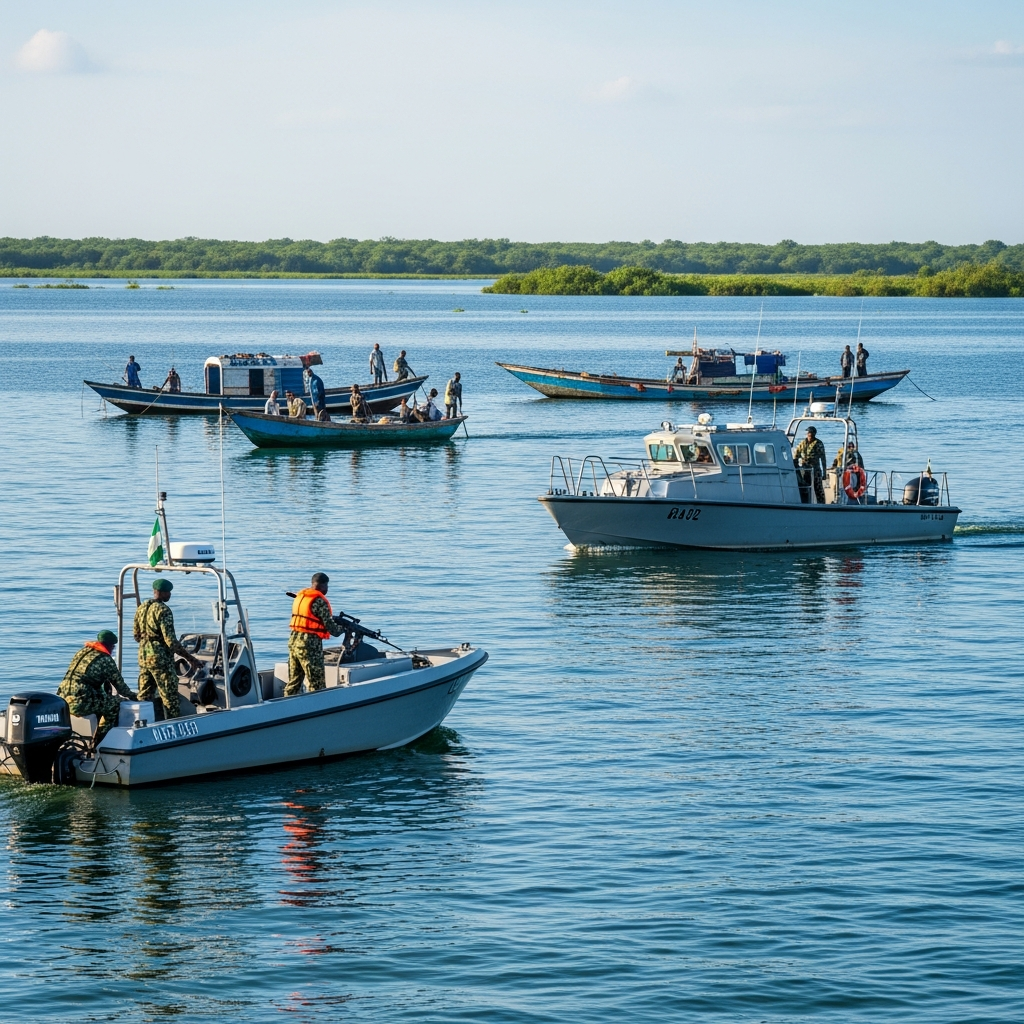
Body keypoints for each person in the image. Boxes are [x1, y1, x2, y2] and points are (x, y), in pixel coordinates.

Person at [133, 579, 201, 720]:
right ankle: (173, 724)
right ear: (161, 592)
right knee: (169, 696)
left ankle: (141, 722)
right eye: (168, 592)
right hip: (160, 659)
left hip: (143, 656)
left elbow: (136, 635)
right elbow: (171, 641)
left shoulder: (142, 607)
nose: (170, 595)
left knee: (144, 694)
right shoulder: (163, 611)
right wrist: (190, 658)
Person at [57, 630, 137, 743]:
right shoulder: (105, 660)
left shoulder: (82, 652)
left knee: (102, 701)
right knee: (114, 705)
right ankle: (99, 741)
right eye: (113, 646)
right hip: (80, 702)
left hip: (62, 699)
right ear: (110, 645)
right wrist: (135, 697)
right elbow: (121, 688)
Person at [286, 573, 349, 696]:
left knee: (294, 681)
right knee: (317, 683)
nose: (327, 589)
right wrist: (344, 629)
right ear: (323, 585)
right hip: (309, 644)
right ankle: (319, 705)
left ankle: (286, 704)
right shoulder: (319, 601)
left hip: (294, 640)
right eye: (327, 586)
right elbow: (333, 630)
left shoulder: (301, 596)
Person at [794, 425, 827, 504]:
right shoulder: (802, 443)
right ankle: (806, 503)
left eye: (811, 433)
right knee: (805, 488)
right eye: (808, 433)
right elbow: (796, 455)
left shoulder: (818, 443)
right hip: (804, 469)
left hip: (815, 469)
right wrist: (796, 466)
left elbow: (823, 459)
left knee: (818, 489)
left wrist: (824, 472)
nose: (809, 434)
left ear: (814, 434)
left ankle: (821, 505)